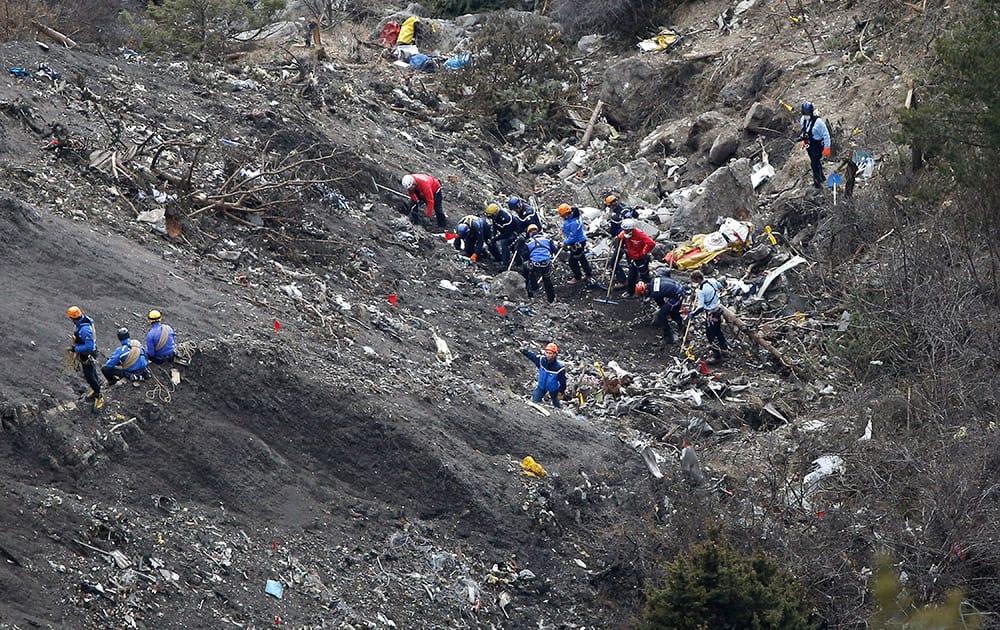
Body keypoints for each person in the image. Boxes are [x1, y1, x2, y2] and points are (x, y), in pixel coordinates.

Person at [686, 270, 728, 360]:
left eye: (694, 280)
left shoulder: (701, 290)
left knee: (710, 335)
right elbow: (721, 286)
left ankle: (716, 355)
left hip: (711, 314)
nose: (693, 282)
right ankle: (724, 348)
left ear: (697, 279)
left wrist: (693, 314)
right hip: (718, 309)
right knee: (718, 330)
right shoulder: (712, 281)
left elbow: (700, 307)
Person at [635, 268, 686, 343]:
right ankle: (681, 325)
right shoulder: (655, 279)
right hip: (678, 287)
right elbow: (666, 271)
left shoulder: (655, 293)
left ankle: (668, 337)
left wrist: (664, 311)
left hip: (677, 295)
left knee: (663, 315)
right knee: (669, 311)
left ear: (645, 290)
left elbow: (659, 301)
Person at [67, 305, 103, 409]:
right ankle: (97, 388)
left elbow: (89, 346)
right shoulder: (84, 321)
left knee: (89, 376)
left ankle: (99, 395)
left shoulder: (85, 330)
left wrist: (75, 349)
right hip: (88, 353)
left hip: (88, 354)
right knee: (92, 372)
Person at [521, 342, 567, 408]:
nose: (548, 355)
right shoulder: (541, 361)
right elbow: (532, 356)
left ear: (555, 354)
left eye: (550, 353)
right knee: (534, 402)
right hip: (541, 387)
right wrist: (523, 351)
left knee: (557, 405)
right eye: (547, 352)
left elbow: (563, 382)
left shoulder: (559, 368)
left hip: (553, 389)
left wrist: (561, 392)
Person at [520, 224, 558, 303]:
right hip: (546, 263)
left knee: (527, 270)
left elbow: (525, 256)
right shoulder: (547, 239)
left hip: (535, 264)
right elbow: (555, 250)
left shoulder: (528, 242)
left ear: (530, 233)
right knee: (547, 280)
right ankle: (551, 299)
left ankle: (530, 292)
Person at [605, 195, 637, 286]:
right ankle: (635, 279)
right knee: (631, 261)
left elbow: (612, 232)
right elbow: (636, 215)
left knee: (614, 261)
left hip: (622, 241)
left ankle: (623, 281)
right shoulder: (628, 209)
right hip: (632, 238)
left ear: (610, 206)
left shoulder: (615, 218)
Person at [557, 203, 593, 286]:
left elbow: (573, 236)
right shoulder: (573, 217)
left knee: (572, 261)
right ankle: (588, 274)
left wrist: (565, 243)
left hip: (577, 243)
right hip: (579, 241)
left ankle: (577, 277)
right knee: (582, 258)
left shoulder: (574, 223)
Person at [618, 218, 656, 295]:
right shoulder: (624, 234)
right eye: (624, 229)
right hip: (632, 257)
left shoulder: (639, 234)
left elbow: (651, 243)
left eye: (626, 230)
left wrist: (644, 252)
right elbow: (620, 237)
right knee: (631, 276)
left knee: (644, 276)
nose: (625, 231)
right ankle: (630, 292)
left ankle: (648, 293)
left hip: (641, 258)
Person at [799, 101, 831, 189]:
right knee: (815, 161)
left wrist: (827, 147)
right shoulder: (803, 120)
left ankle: (817, 183)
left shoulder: (818, 122)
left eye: (807, 113)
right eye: (804, 114)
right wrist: (804, 141)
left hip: (817, 145)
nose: (806, 115)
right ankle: (822, 177)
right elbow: (804, 131)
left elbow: (826, 135)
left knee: (814, 163)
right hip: (810, 144)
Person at [486, 202, 521, 268]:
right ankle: (499, 257)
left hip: (513, 231)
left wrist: (495, 239)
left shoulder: (506, 218)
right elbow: (495, 225)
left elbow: (506, 234)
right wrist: (493, 235)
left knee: (504, 243)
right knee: (494, 241)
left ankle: (505, 264)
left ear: (496, 213)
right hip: (505, 231)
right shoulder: (495, 217)